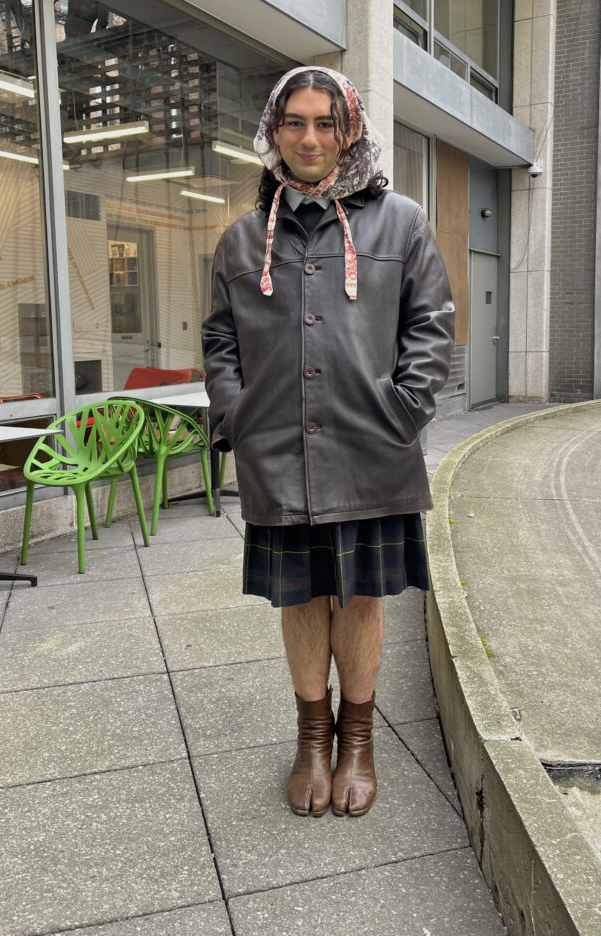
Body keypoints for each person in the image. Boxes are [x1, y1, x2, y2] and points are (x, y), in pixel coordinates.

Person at [202, 66, 454, 818]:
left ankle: (360, 742)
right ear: (274, 134)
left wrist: (403, 410)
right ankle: (313, 740)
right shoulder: (242, 238)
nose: (309, 138)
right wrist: (234, 415)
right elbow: (219, 339)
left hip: (371, 450)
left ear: (350, 131)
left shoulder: (401, 223)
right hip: (277, 455)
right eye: (293, 123)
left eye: (325, 123)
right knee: (303, 598)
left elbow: (431, 326)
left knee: (363, 599)